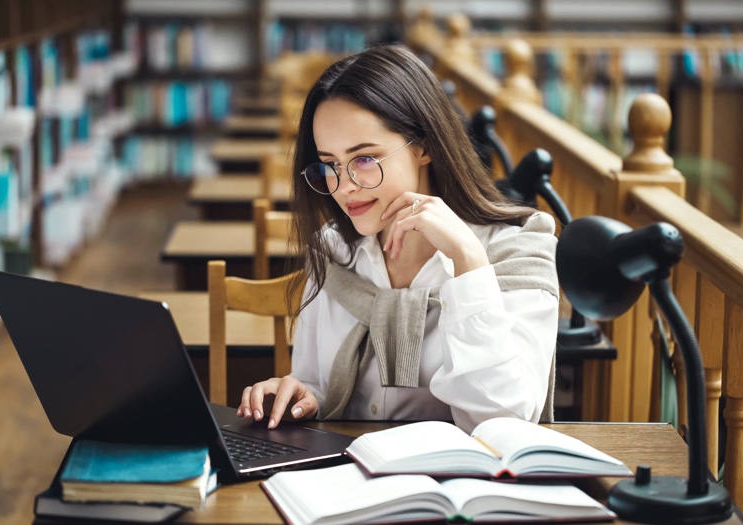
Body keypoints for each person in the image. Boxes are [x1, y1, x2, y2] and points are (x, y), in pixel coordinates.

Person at [238, 44, 559, 433]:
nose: (345, 188)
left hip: (460, 484)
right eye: (330, 165)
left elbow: (506, 421)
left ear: (424, 145)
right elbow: (319, 384)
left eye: (365, 159)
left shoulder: (517, 249)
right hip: (348, 475)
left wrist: (468, 262)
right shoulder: (334, 249)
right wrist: (301, 395)